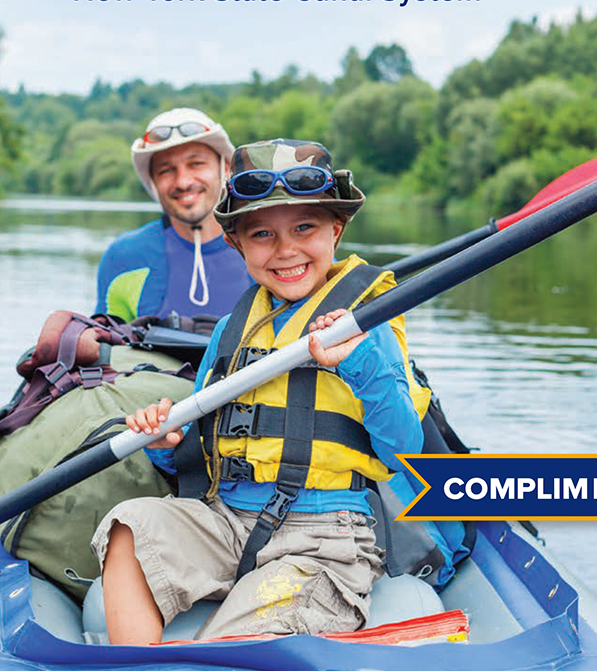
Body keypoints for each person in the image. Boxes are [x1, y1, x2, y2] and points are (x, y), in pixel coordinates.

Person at [92, 139, 429, 644]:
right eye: (263, 234)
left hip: (325, 539)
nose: (286, 249)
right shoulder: (234, 328)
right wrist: (169, 443)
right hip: (227, 521)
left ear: (336, 230)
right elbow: (201, 453)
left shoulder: (366, 325)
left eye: (305, 228)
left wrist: (359, 360)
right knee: (130, 524)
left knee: (221, 649)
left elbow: (405, 449)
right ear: (237, 244)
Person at [95, 108, 252, 324]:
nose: (183, 182)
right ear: (153, 182)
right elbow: (105, 344)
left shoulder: (265, 248)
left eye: (196, 164)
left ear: (225, 168)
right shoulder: (124, 256)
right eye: (166, 170)